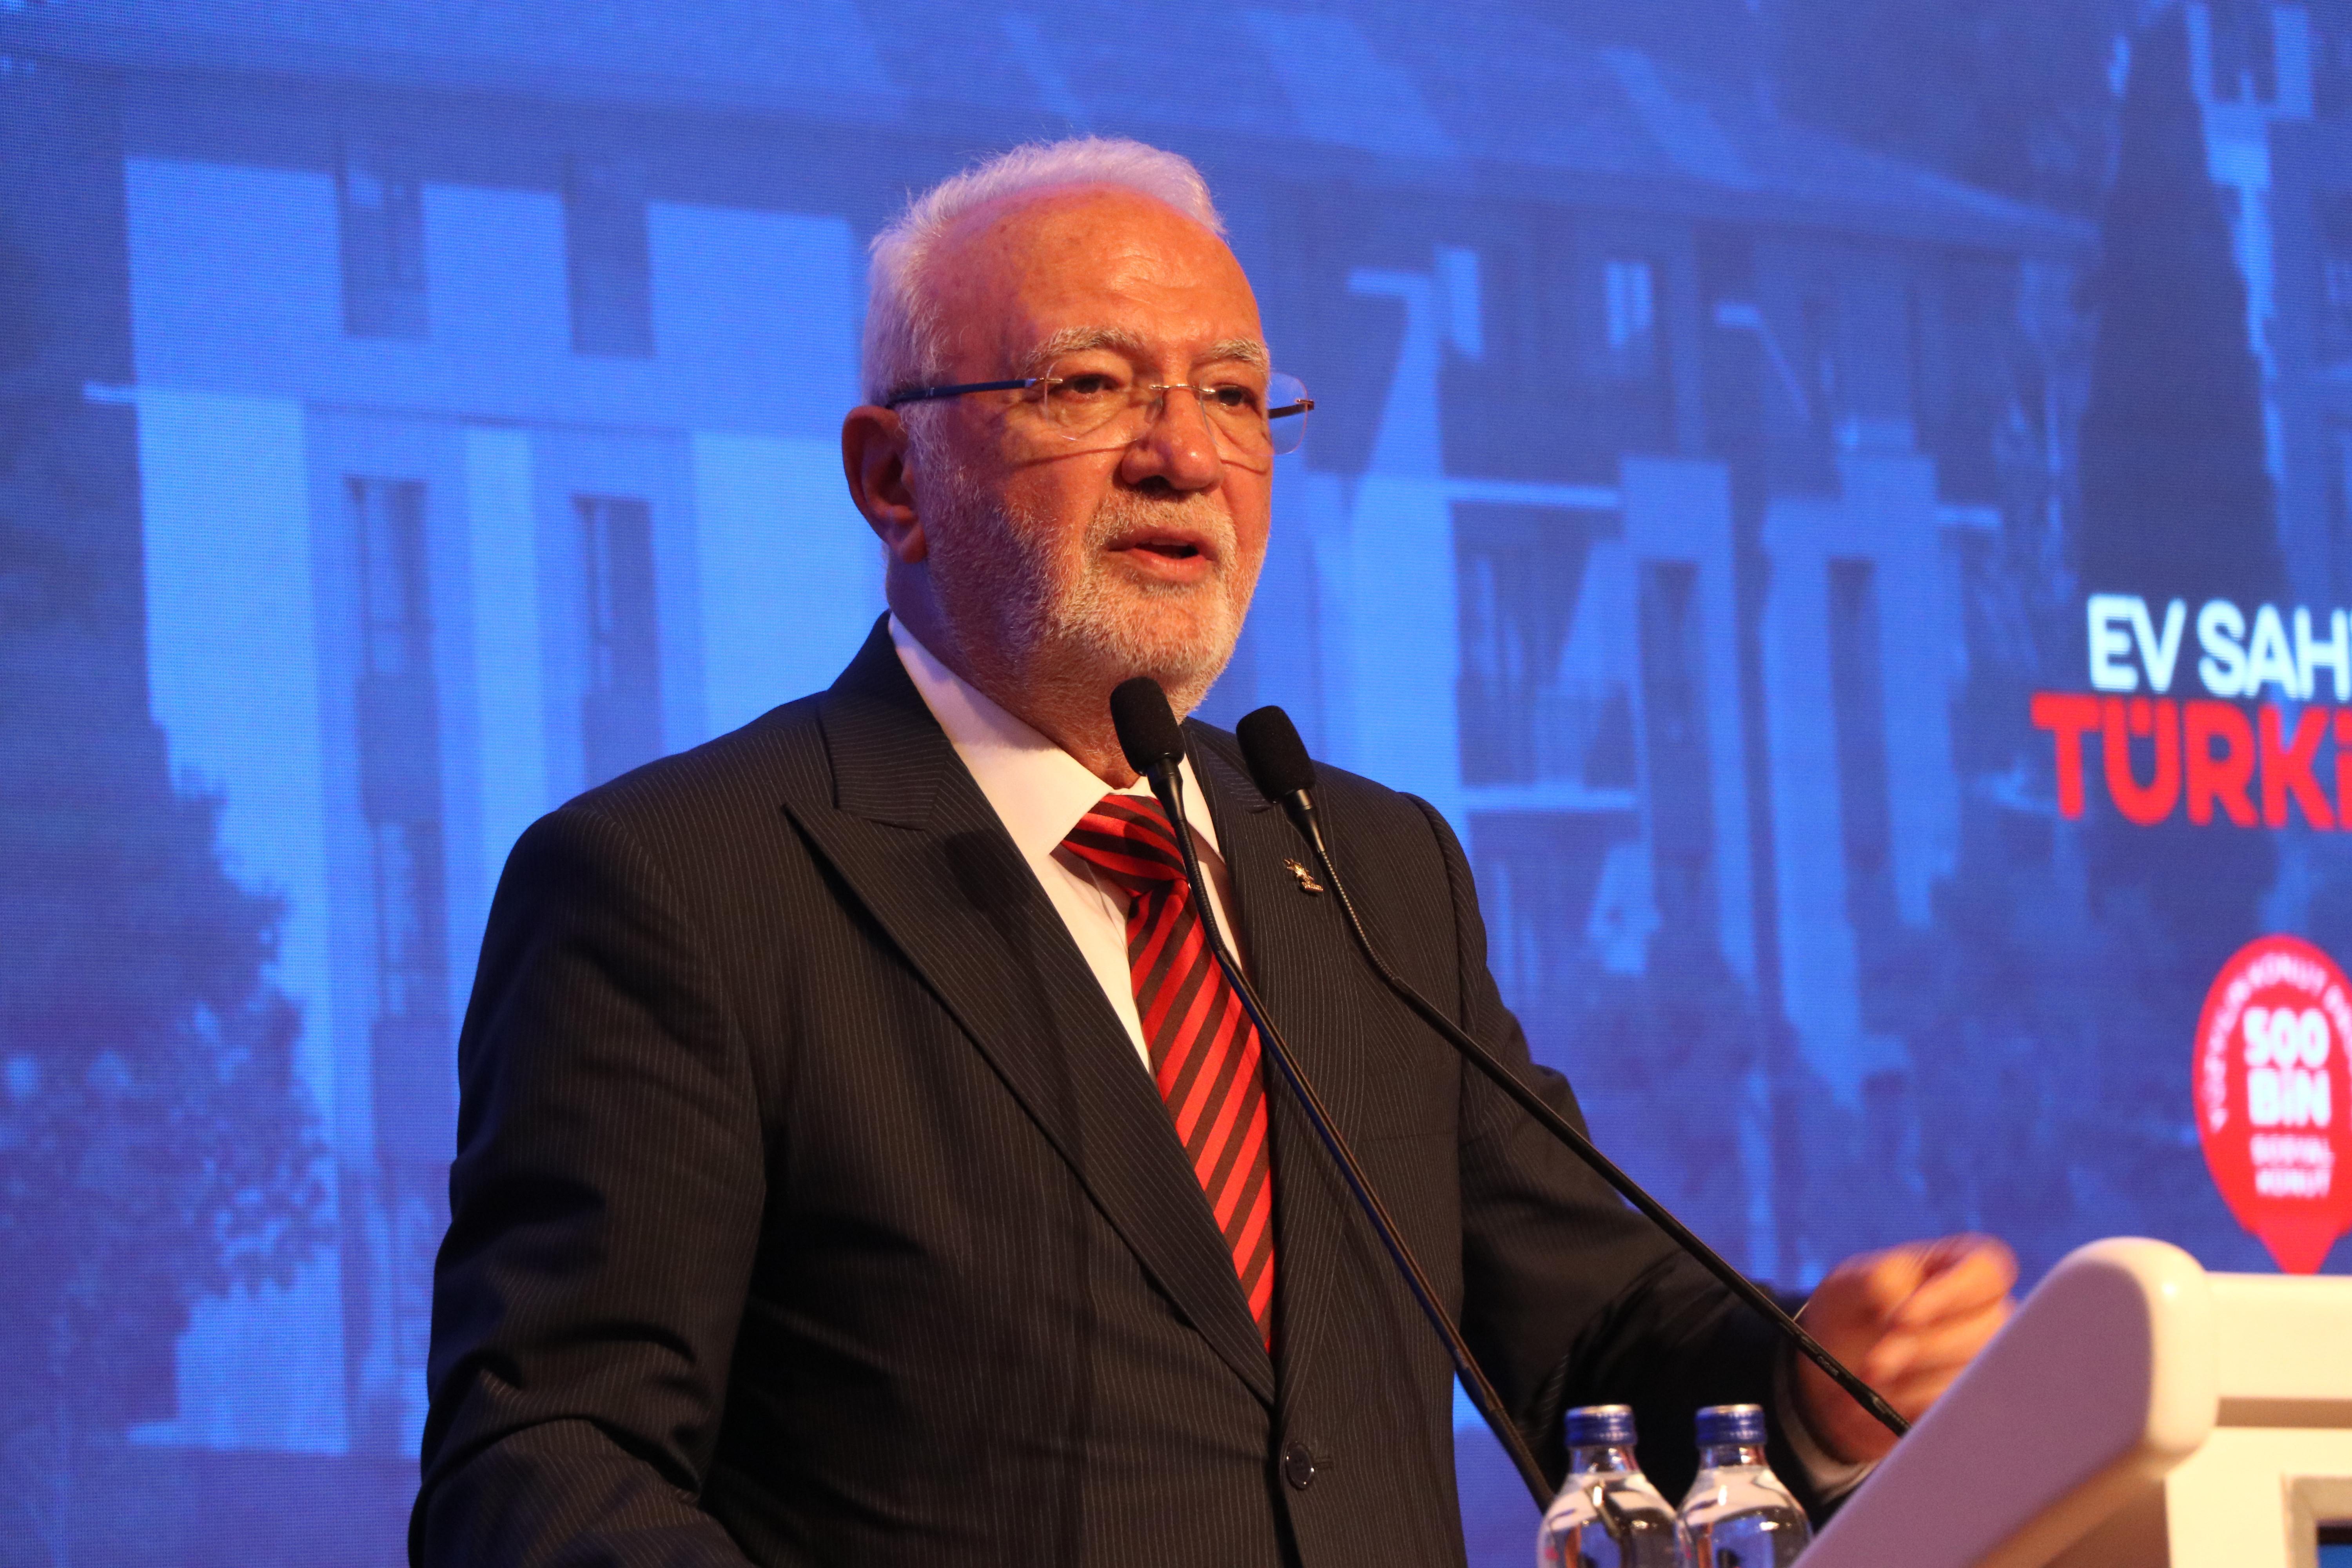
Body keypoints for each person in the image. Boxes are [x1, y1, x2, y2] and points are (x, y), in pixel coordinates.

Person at [412, 137, 2015, 1568]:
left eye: (1236, 397)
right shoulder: (683, 883)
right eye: (1090, 386)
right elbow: (550, 1468)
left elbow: (1586, 1337)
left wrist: (1808, 1383)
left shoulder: (1365, 868)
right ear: (894, 479)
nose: (1184, 453)